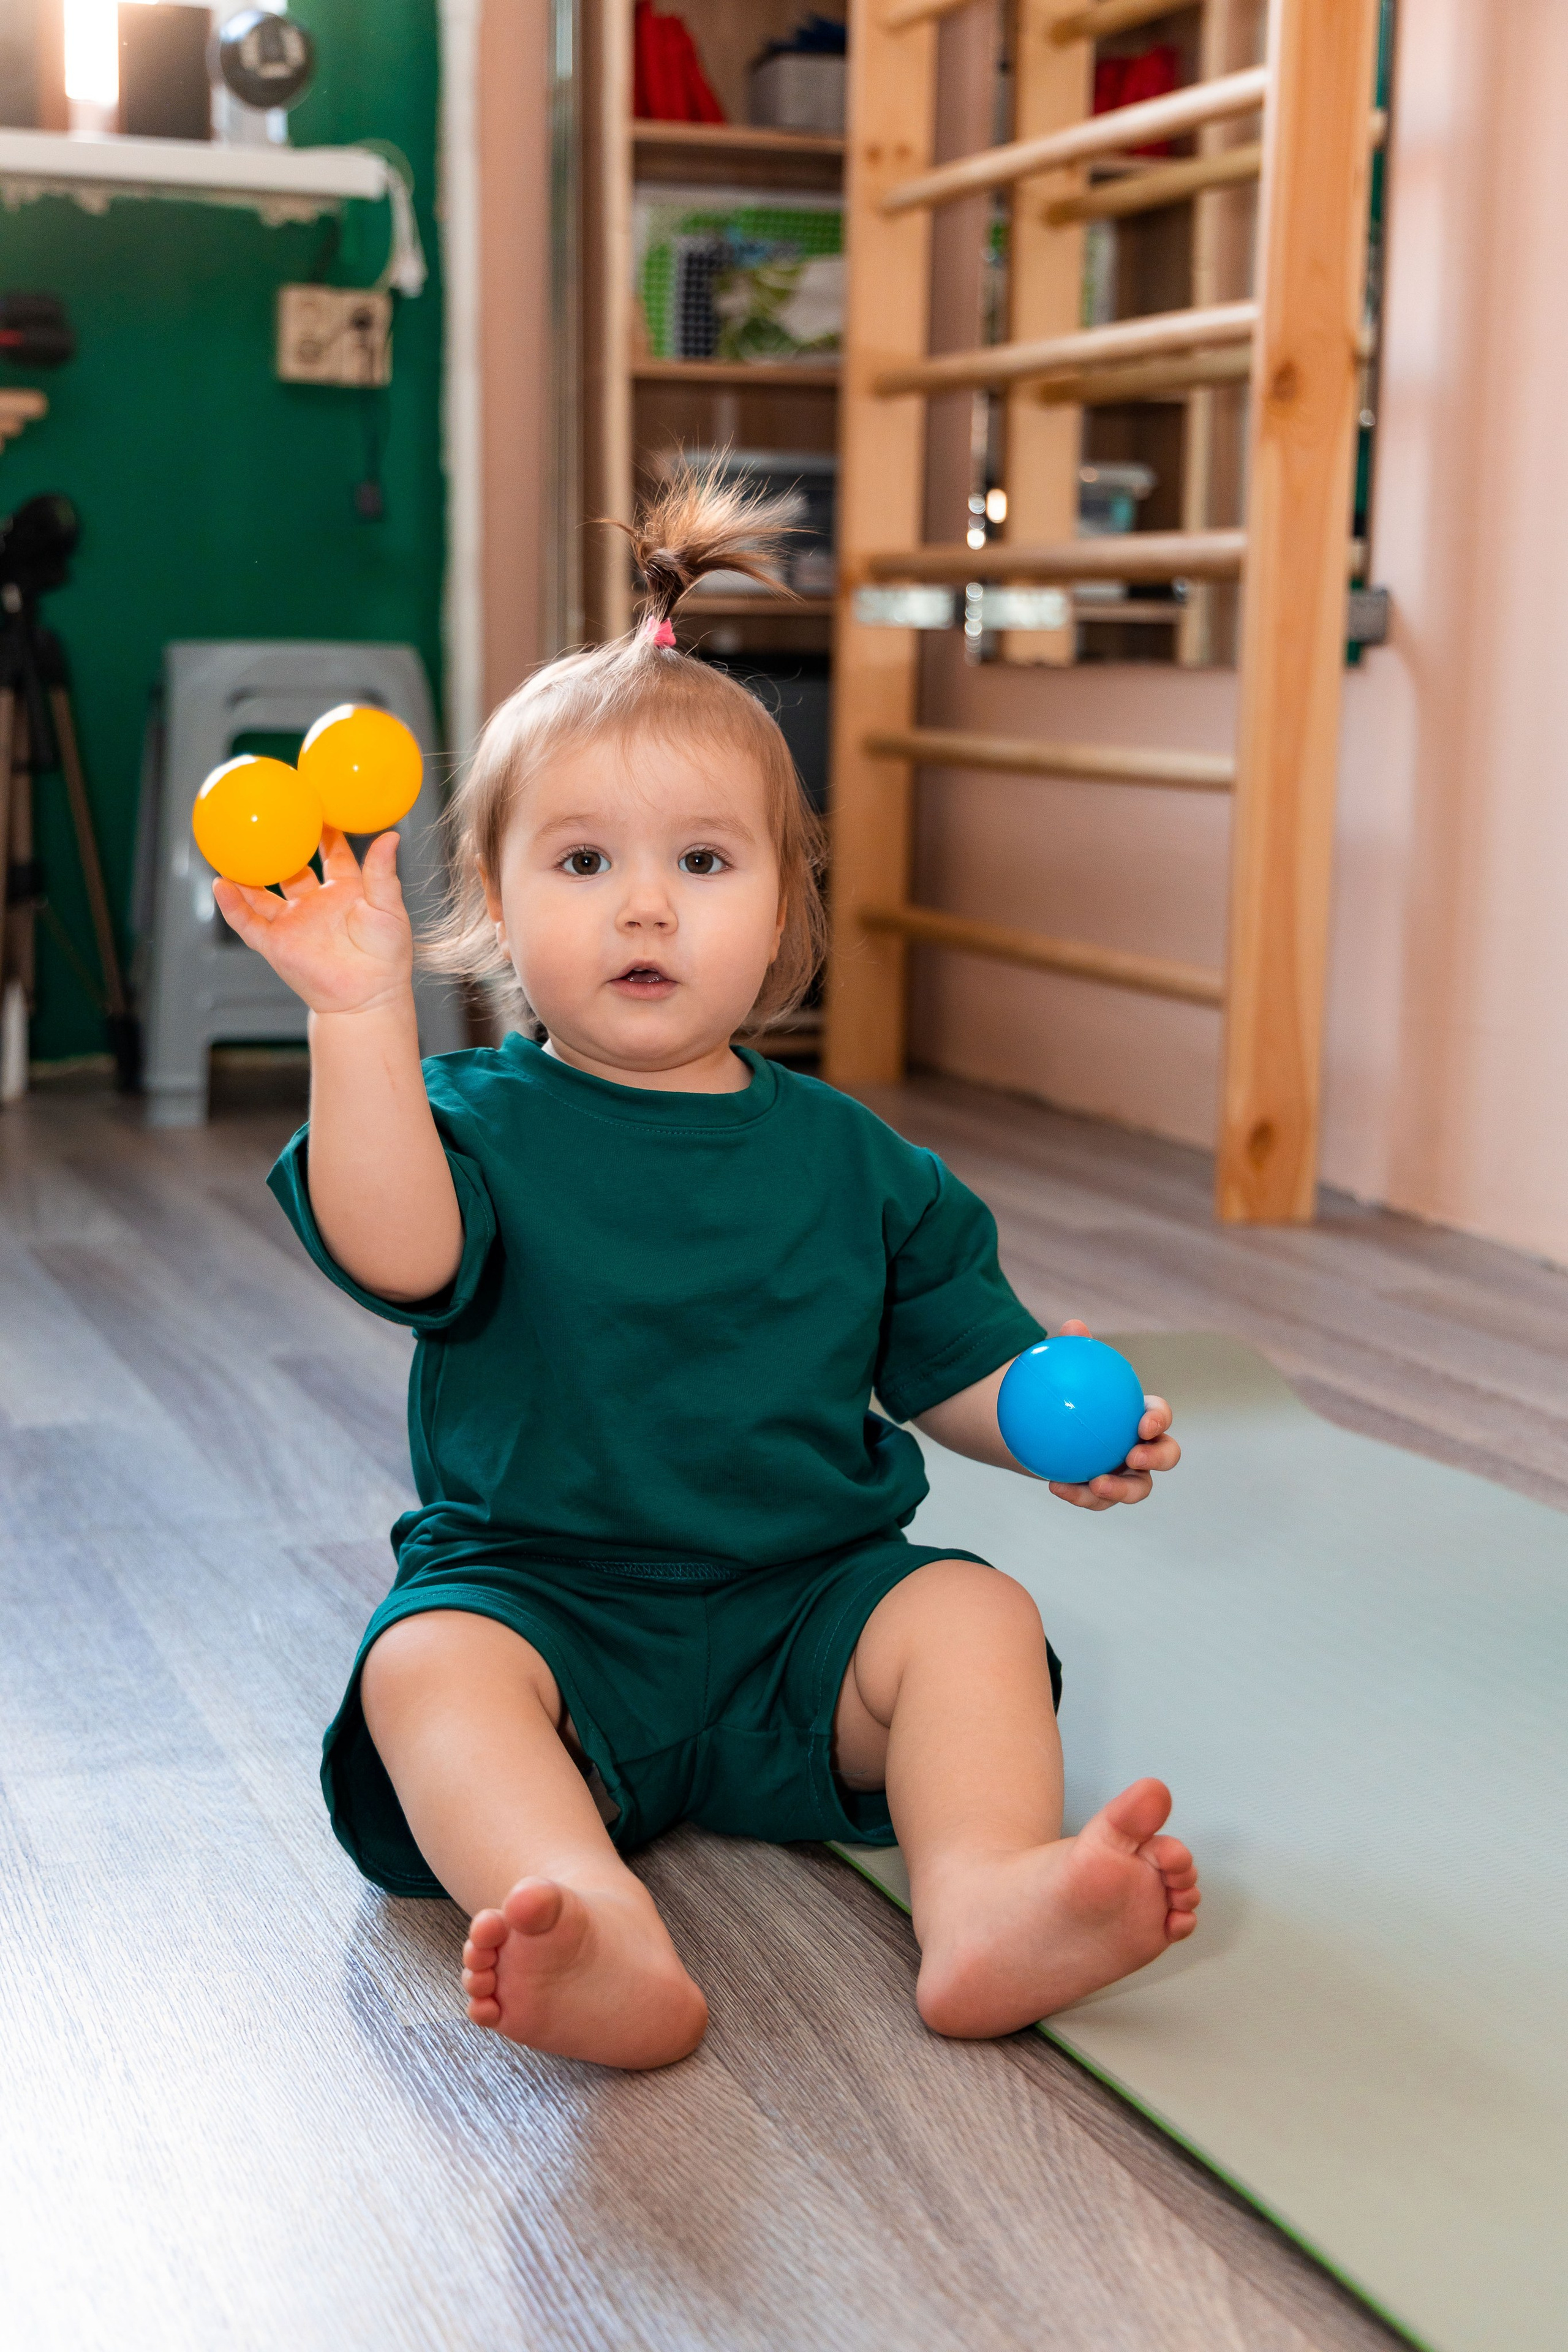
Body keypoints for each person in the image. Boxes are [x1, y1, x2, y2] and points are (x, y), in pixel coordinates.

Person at [219, 467, 1198, 2073]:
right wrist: (356, 1013)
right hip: (545, 1605)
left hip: (807, 1613)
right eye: (583, 864)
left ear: (784, 908)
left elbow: (954, 1363)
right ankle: (586, 1918)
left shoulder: (860, 1164)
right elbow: (397, 1250)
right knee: (425, 1668)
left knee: (970, 1614)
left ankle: (986, 1898)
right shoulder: (467, 1125)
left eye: (703, 862)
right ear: (498, 905)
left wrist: (1041, 1425)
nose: (645, 905)